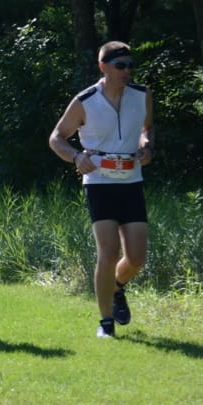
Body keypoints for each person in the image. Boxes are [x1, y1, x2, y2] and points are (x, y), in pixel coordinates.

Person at [49, 41, 154, 339]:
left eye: (130, 65)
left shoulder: (142, 95)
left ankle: (116, 287)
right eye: (120, 66)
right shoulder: (85, 100)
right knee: (108, 253)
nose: (127, 71)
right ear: (103, 67)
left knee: (136, 259)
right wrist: (76, 157)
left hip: (131, 181)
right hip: (99, 183)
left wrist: (146, 147)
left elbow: (146, 129)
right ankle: (105, 322)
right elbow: (56, 137)